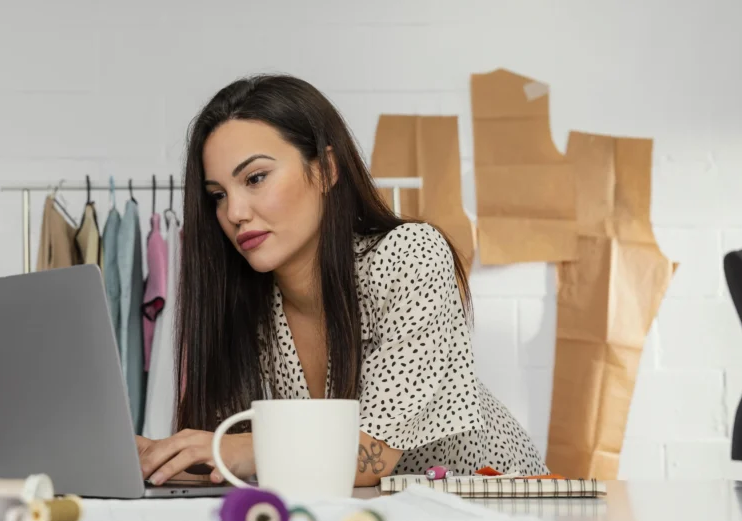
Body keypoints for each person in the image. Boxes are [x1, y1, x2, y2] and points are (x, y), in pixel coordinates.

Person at [135, 74, 546, 487]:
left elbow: (372, 459)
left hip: (503, 510)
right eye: (217, 195)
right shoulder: (251, 303)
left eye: (256, 178)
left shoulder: (410, 255)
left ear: (327, 170)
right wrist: (158, 460)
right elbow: (240, 465)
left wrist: (243, 447)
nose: (235, 212)